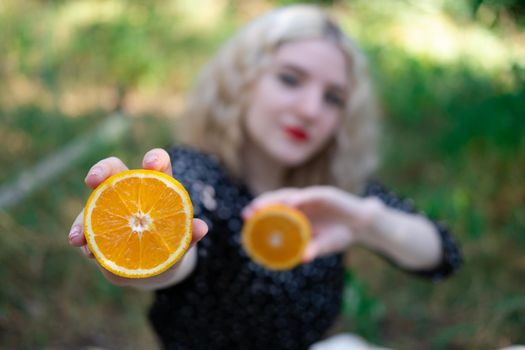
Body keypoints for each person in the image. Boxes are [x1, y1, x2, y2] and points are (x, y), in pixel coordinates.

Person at [68, 4, 462, 349]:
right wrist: (143, 254)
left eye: (333, 98)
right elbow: (182, 246)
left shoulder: (330, 185)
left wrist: (364, 222)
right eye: (290, 79)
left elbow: (440, 253)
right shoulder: (200, 176)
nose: (310, 109)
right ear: (242, 83)